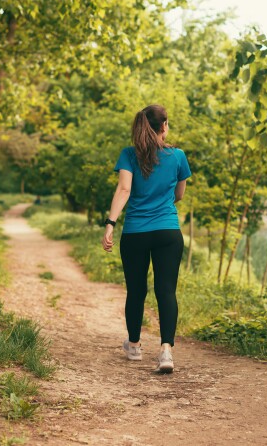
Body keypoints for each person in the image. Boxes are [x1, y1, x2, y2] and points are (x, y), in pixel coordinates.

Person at [101, 104, 191, 374]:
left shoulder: (129, 155)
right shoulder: (178, 156)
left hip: (135, 233)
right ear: (164, 126)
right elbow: (179, 195)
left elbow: (125, 188)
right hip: (167, 232)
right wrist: (161, 200)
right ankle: (166, 351)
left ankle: (135, 345)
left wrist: (110, 224)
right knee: (166, 290)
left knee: (136, 290)